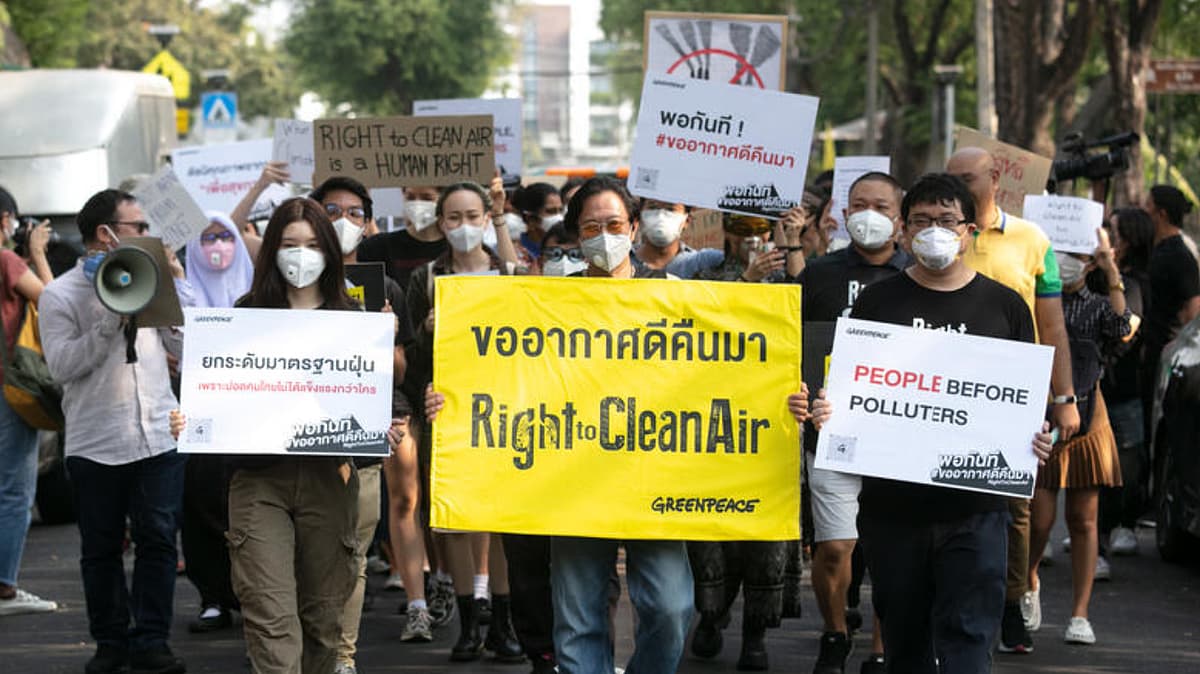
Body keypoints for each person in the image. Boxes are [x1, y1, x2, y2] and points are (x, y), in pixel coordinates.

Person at [811, 172, 1053, 673]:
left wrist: (1036, 436)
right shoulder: (876, 304)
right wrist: (827, 412)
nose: (934, 231)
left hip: (977, 510)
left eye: (947, 220)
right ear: (903, 230)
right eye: (922, 221)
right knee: (906, 642)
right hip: (894, 509)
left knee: (969, 642)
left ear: (969, 231)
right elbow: (850, 389)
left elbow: (1021, 403)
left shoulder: (1005, 307)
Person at [39, 189, 192, 674]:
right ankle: (110, 642)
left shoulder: (150, 277)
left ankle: (151, 641)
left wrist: (175, 291)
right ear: (106, 234)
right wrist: (110, 315)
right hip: (96, 441)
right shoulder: (59, 294)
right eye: (138, 227)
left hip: (157, 433)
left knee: (159, 540)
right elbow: (63, 366)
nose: (147, 235)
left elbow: (188, 353)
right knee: (100, 548)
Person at [212, 197, 364, 674]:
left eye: (314, 245)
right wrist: (195, 418)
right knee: (272, 620)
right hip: (259, 481)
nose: (302, 255)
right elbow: (219, 393)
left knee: (323, 622)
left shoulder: (356, 320)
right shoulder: (245, 312)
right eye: (290, 245)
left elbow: (373, 407)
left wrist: (389, 425)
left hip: (329, 478)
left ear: (331, 252)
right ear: (272, 250)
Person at [946, 147, 1078, 655]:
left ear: (995, 177)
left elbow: (1052, 324)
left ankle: (1013, 599)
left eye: (967, 178)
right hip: (943, 387)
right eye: (950, 177)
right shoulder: (940, 237)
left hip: (1011, 390)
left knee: (1015, 505)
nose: (958, 186)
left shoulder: (1031, 240)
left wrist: (1063, 396)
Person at [405, 182, 522, 663]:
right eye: (453, 218)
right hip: (447, 412)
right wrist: (427, 336)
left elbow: (529, 311)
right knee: (451, 518)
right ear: (439, 222)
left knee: (500, 517)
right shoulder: (426, 279)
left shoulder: (504, 271)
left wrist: (500, 218)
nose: (463, 226)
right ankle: (469, 624)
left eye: (473, 215)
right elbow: (409, 357)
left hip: (502, 410)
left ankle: (503, 619)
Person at [797, 172, 909, 674]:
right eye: (859, 204)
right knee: (835, 548)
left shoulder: (918, 279)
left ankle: (882, 648)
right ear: (842, 214)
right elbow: (790, 346)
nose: (870, 214)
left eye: (881, 206)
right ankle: (835, 631)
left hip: (899, 441)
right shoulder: (818, 275)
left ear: (900, 220)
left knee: (892, 551)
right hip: (830, 433)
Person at [307, 175, 417, 672]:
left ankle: (341, 656)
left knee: (353, 552)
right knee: (308, 555)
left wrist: (384, 335)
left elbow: (398, 371)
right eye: (332, 211)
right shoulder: (290, 285)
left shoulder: (385, 287)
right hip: (304, 439)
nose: (344, 222)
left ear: (369, 223)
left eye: (355, 213)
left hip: (364, 437)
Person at [1026, 230, 1131, 646]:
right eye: (1060, 253)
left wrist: (1111, 267)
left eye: (1077, 254)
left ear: (1088, 261)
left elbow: (1123, 328)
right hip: (1042, 414)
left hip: (1090, 415)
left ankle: (1080, 612)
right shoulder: (1035, 300)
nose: (1067, 261)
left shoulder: (1100, 306)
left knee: (1085, 520)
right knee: (1039, 520)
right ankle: (1028, 579)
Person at [178, 212, 255, 635]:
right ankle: (213, 596)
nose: (218, 245)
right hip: (202, 413)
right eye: (207, 238)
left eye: (226, 236)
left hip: (253, 414)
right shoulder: (182, 289)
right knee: (201, 501)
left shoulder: (258, 291)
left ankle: (254, 596)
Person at [0, 186, 57, 618]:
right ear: (6, 220)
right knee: (15, 489)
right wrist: (37, 252)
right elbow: (55, 303)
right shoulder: (7, 261)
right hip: (11, 390)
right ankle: (5, 587)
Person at [1097, 207, 1155, 560]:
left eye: (1112, 232)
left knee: (1127, 465)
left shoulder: (1136, 283)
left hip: (1125, 387)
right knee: (1095, 471)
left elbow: (1126, 329)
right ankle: (1094, 532)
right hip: (1098, 388)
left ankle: (1123, 525)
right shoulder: (1093, 280)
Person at [1141, 186, 1200, 445]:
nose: (1144, 213)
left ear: (1161, 214)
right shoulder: (1154, 249)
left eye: (1148, 207)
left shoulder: (1181, 257)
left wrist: (1176, 350)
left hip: (1164, 360)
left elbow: (1192, 311)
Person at [632, 199, 723, 279]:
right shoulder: (623, 261)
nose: (661, 216)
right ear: (640, 216)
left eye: (670, 209)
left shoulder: (705, 262)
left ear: (687, 221)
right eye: (653, 207)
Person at [696, 213, 786, 283]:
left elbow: (797, 299)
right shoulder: (707, 278)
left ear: (770, 232)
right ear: (726, 232)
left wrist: (794, 239)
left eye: (760, 228)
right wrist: (747, 279)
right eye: (741, 229)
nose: (752, 237)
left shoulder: (782, 276)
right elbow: (718, 306)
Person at [1, 186, 54, 284]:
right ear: (5, 220)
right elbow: (52, 296)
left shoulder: (8, 261)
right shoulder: (6, 258)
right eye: (14, 219)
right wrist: (37, 252)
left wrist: (26, 259)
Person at [511, 182, 564, 272]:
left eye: (560, 210)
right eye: (551, 212)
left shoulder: (568, 247)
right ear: (531, 219)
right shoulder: (515, 253)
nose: (559, 217)